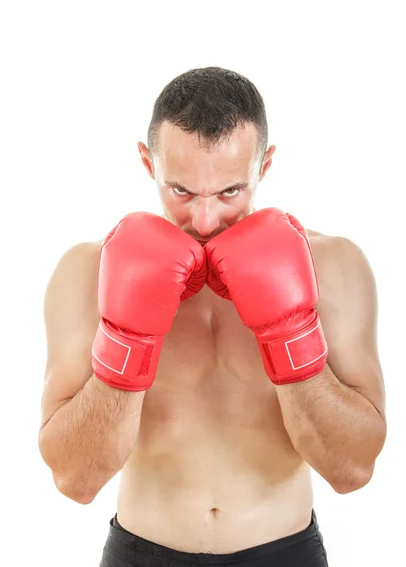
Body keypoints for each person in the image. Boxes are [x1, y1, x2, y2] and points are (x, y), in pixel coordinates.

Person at [38, 67, 387, 567]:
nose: (204, 221)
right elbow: (74, 480)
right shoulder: (87, 272)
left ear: (263, 166)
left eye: (229, 192)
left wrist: (289, 333)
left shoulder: (332, 267)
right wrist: (127, 340)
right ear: (147, 161)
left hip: (284, 552)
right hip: (142, 553)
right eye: (181, 191)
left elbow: (353, 471)